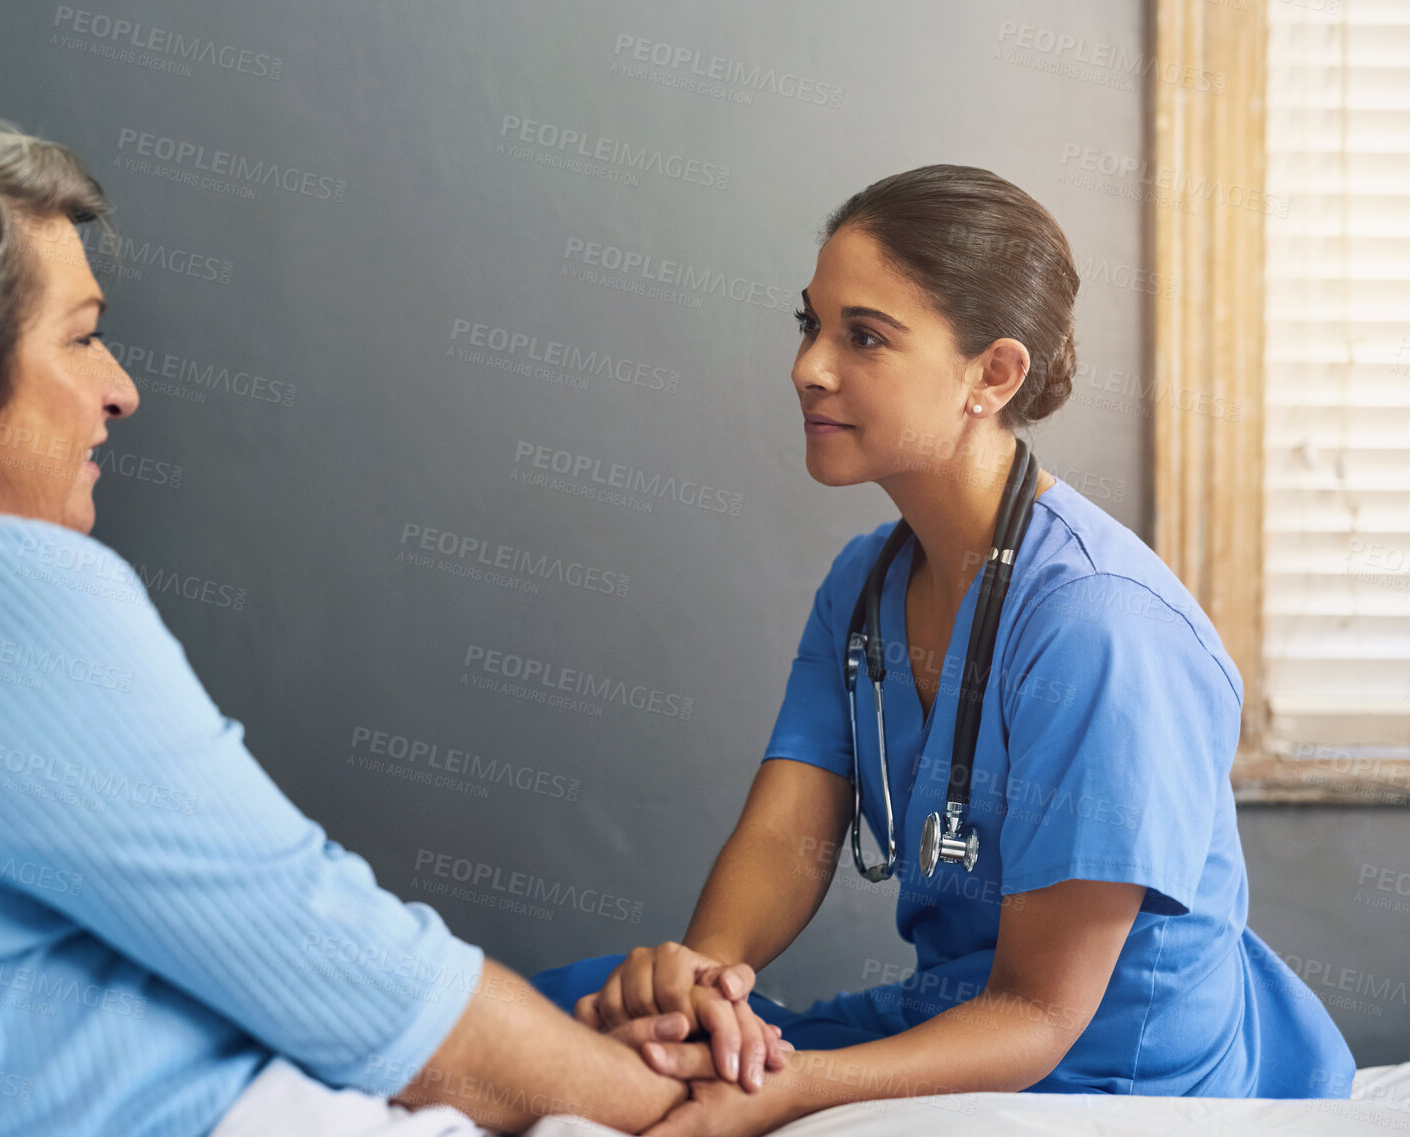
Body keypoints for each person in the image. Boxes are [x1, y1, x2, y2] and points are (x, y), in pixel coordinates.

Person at [0, 102, 714, 1137]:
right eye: (83, 339)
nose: (122, 389)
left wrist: (578, 1056)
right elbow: (366, 986)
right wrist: (692, 1106)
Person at [531, 165, 1357, 1136]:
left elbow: (1041, 1015)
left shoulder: (1102, 627)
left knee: (647, 1081)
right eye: (811, 325)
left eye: (865, 336)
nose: (810, 367)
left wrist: (792, 1090)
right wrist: (703, 988)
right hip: (956, 1022)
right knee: (573, 1010)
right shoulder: (865, 583)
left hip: (1105, 1075)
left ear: (993, 375)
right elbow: (784, 838)